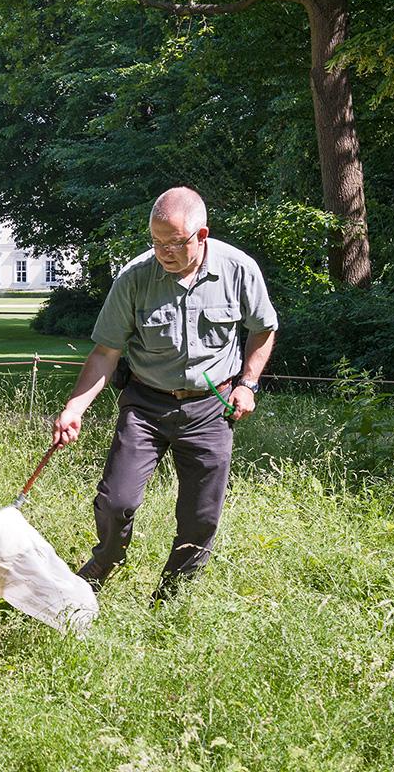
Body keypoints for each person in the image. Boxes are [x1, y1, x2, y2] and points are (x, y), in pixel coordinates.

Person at [52, 187, 278, 602]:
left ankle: (171, 598)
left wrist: (248, 383)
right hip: (146, 404)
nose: (164, 251)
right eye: (156, 241)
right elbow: (105, 352)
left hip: (212, 407)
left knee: (201, 517)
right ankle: (106, 561)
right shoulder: (135, 278)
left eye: (174, 243)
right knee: (116, 501)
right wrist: (74, 407)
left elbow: (263, 328)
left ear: (201, 234)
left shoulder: (238, 269)